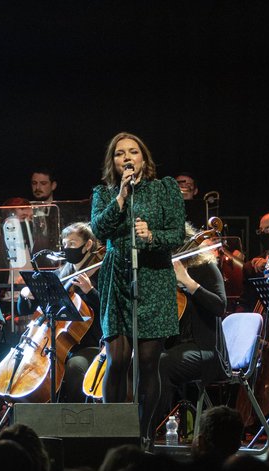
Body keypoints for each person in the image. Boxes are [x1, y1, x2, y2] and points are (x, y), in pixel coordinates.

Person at [90, 132, 185, 441]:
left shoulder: (165, 189)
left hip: (154, 277)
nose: (127, 157)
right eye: (120, 154)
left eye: (133, 152)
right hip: (117, 278)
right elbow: (99, 229)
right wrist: (121, 198)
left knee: (146, 363)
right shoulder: (104, 194)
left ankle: (143, 436)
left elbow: (177, 235)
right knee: (117, 361)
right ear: (113, 161)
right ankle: (113, 436)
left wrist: (152, 236)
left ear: (144, 158)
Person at [13, 222, 104, 403]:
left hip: (88, 344)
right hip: (55, 344)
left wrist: (91, 292)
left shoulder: (100, 274)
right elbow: (25, 310)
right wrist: (26, 296)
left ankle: (76, 418)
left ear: (88, 245)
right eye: (65, 244)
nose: (67, 248)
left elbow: (111, 308)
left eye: (72, 243)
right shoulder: (60, 274)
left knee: (75, 366)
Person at [150, 224, 227, 435]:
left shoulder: (204, 267)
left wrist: (188, 282)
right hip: (174, 347)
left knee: (160, 364)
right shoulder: (162, 272)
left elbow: (219, 306)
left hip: (206, 350)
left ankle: (148, 430)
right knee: (142, 361)